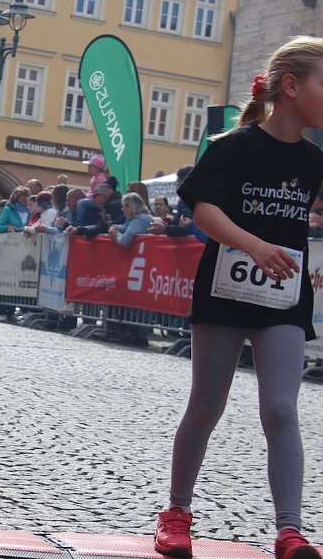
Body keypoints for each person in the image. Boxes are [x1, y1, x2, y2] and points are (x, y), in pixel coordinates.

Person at [153, 36, 323, 559]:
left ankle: (289, 530)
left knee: (280, 409)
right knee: (206, 406)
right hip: (225, 293)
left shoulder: (316, 159)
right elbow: (203, 211)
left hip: (283, 300)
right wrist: (258, 246)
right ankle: (177, 512)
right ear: (291, 87)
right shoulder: (234, 145)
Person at [75, 154, 109, 225]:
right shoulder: (94, 178)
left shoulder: (101, 178)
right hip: (93, 199)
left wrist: (86, 196)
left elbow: (99, 194)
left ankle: (77, 224)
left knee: (81, 203)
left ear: (96, 168)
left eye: (90, 166)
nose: (88, 168)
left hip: (98, 202)